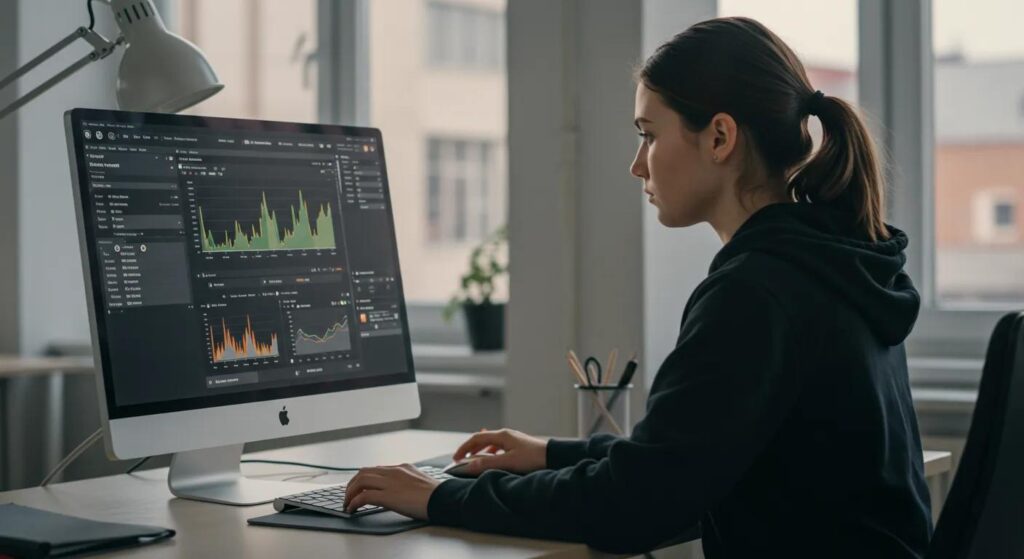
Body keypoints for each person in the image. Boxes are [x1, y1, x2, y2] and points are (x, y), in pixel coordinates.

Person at [342, 16, 932, 558]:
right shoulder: (830, 263)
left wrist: (438, 497)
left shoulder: (756, 293)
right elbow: (687, 454)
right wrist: (549, 453)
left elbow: (632, 504)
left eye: (649, 134)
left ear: (720, 138)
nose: (638, 164)